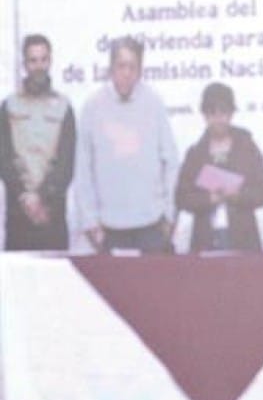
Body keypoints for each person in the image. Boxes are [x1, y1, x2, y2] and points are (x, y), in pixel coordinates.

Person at [74, 36, 179, 253]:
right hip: (108, 228)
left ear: (140, 70)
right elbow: (83, 169)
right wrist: (90, 221)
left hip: (151, 225)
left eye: (133, 67)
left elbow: (170, 161)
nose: (127, 73)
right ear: (111, 68)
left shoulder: (153, 103)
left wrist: (169, 215)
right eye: (121, 66)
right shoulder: (93, 107)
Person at [175, 82, 263, 252]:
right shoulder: (196, 153)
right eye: (212, 113)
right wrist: (209, 199)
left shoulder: (247, 148)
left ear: (232, 113)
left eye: (224, 112)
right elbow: (181, 197)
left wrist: (237, 196)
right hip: (205, 238)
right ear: (204, 115)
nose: (218, 119)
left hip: (243, 237)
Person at [0, 34, 76, 251]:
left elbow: (66, 164)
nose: (38, 66)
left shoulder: (64, 107)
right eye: (33, 60)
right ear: (24, 64)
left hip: (51, 214)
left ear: (50, 61)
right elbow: (4, 158)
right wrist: (26, 198)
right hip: (19, 214)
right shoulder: (9, 106)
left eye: (43, 60)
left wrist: (42, 199)